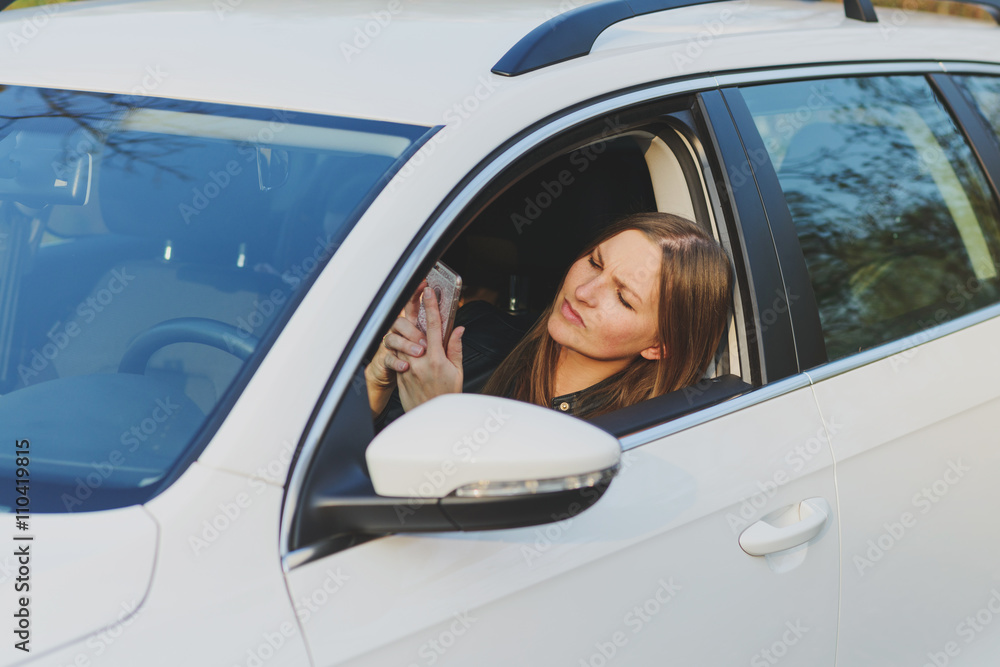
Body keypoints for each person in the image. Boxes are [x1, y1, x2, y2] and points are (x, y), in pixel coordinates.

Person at [365, 211, 733, 424]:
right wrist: (375, 385)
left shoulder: (635, 438)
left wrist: (438, 417)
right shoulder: (476, 335)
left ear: (659, 346)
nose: (584, 292)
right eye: (594, 262)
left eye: (622, 297)